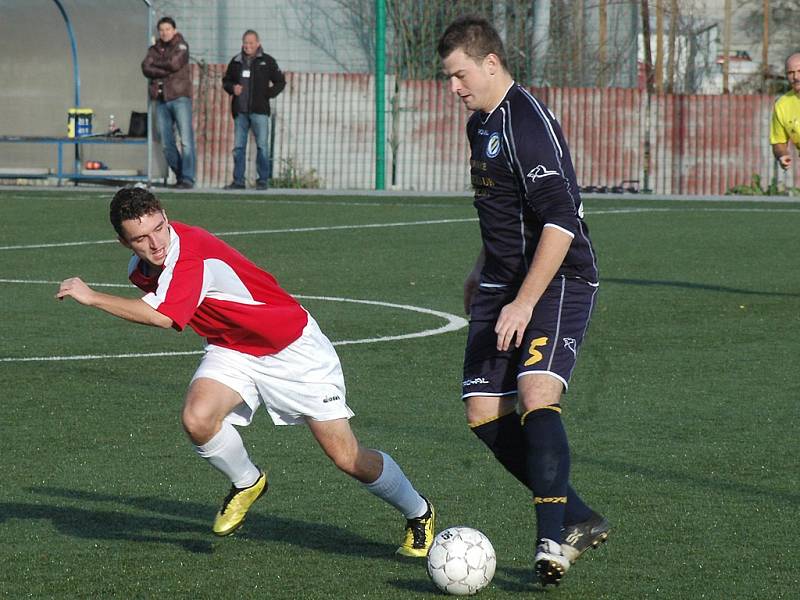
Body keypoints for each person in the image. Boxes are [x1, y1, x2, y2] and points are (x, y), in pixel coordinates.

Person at [55, 187, 435, 557]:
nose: (155, 243)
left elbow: (165, 317)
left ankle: (419, 510)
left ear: (166, 217)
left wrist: (92, 297)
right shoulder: (141, 269)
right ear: (125, 243)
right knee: (197, 419)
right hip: (232, 347)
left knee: (347, 457)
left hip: (293, 351)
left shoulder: (192, 256)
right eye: (140, 238)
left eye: (159, 228)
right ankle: (247, 481)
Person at [437, 16, 609, 587]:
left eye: (459, 75)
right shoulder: (479, 124)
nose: (454, 87)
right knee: (484, 413)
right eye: (448, 78)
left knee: (537, 393)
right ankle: (577, 515)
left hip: (557, 278)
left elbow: (560, 222)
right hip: (500, 282)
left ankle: (551, 538)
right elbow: (502, 213)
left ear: (490, 63)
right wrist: (480, 271)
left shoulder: (527, 123)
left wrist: (523, 301)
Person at [222, 30, 286, 190]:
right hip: (240, 112)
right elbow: (226, 81)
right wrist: (232, 88)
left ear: (258, 43)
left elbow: (280, 82)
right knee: (238, 147)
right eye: (245, 43)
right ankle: (238, 181)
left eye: (251, 43)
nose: (247, 46)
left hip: (260, 111)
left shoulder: (267, 61)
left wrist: (268, 94)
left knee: (262, 146)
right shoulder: (236, 62)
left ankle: (262, 180)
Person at [141, 17, 196, 189]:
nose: (165, 33)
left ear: (174, 30)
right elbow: (145, 67)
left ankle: (188, 178)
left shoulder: (181, 46)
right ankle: (180, 176)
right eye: (162, 30)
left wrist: (156, 66)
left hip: (179, 98)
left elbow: (174, 64)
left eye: (168, 29)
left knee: (186, 140)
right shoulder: (154, 48)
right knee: (166, 143)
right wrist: (163, 67)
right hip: (161, 98)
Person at [770, 52, 800, 171]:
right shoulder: (782, 105)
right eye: (791, 73)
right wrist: (782, 155)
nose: (796, 77)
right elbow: (778, 141)